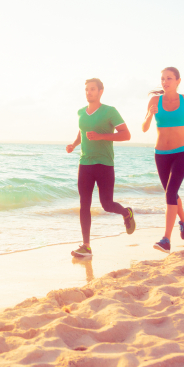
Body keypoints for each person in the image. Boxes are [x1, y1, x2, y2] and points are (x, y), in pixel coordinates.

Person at [66, 78, 136, 257]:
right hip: (85, 163)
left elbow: (126, 135)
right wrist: (74, 144)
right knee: (84, 205)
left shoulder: (109, 111)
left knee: (106, 204)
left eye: (92, 89)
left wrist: (101, 136)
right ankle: (86, 246)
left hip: (104, 164)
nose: (89, 92)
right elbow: (82, 131)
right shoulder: (81, 112)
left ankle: (126, 213)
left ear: (100, 91)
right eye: (87, 90)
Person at [141, 67, 184, 253]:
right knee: (172, 193)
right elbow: (144, 128)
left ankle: (166, 240)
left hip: (181, 153)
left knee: (170, 193)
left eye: (169, 78)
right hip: (161, 155)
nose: (165, 81)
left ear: (178, 81)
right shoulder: (154, 101)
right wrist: (150, 114)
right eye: (162, 79)